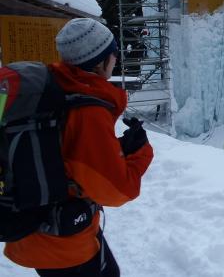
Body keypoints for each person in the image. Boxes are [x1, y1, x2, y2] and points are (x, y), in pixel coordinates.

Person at [4, 18, 154, 277]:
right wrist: (141, 152)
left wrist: (117, 148)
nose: (116, 60)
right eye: (114, 54)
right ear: (101, 61)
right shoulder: (87, 110)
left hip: (30, 226)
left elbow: (65, 153)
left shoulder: (52, 90)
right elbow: (116, 190)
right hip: (62, 241)